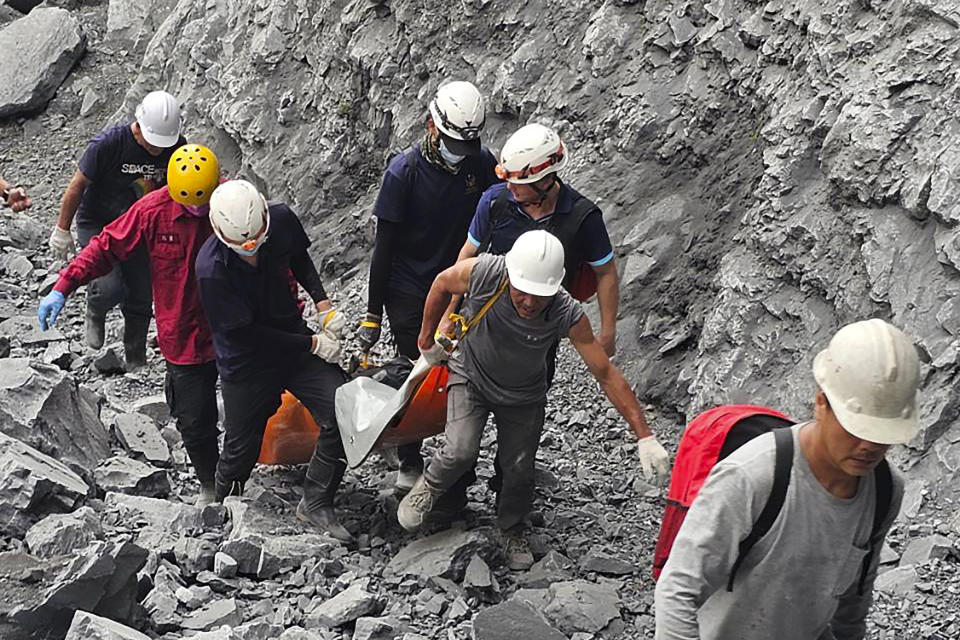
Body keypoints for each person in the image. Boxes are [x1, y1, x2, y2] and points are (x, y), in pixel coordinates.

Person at [397, 231, 669, 562]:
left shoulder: (566, 312)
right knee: (460, 450)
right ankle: (430, 487)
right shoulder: (486, 272)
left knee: (519, 468)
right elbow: (442, 283)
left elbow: (606, 373)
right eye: (521, 293)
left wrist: (645, 436)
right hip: (471, 374)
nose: (528, 303)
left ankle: (511, 529)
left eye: (539, 297)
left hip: (524, 395)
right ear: (511, 275)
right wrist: (426, 339)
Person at [654, 318, 916, 640]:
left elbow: (855, 598)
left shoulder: (886, 491)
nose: (870, 447)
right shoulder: (752, 476)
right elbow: (678, 589)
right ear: (821, 403)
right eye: (858, 429)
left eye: (882, 434)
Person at [439, 123, 621, 510]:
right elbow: (465, 260)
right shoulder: (496, 203)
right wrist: (448, 315)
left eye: (518, 183)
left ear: (544, 180)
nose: (510, 188)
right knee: (463, 426)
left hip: (538, 338)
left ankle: (511, 502)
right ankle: (452, 497)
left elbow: (605, 271)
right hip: (483, 330)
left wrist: (608, 333)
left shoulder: (582, 218)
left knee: (521, 432)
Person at [38, 144, 223, 505]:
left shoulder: (232, 202)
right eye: (191, 205)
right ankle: (210, 484)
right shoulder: (153, 211)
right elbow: (106, 246)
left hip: (234, 329)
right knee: (193, 420)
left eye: (204, 204)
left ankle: (236, 475)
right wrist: (64, 284)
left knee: (250, 407)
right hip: (182, 335)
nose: (199, 212)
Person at [357, 80, 498, 494]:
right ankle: (409, 455)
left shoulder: (479, 164)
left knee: (464, 370)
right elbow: (384, 248)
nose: (461, 152)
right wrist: (372, 314)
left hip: (460, 284)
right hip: (409, 287)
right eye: (453, 142)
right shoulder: (404, 174)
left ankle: (458, 466)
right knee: (415, 370)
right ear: (431, 127)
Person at [194, 180, 353, 542]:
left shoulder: (279, 220)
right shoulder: (211, 270)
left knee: (345, 409)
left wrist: (323, 304)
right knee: (241, 445)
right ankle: (224, 508)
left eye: (256, 242)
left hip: (292, 338)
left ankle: (316, 500)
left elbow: (299, 257)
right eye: (241, 247)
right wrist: (313, 343)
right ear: (220, 234)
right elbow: (249, 334)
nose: (251, 251)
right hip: (247, 359)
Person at [48, 90, 185, 369]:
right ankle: (95, 309)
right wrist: (62, 229)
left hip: (141, 225)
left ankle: (136, 357)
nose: (157, 149)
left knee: (141, 293)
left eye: (162, 143)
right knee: (109, 285)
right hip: (98, 220)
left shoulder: (176, 147)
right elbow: (77, 186)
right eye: (152, 141)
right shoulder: (110, 144)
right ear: (139, 126)